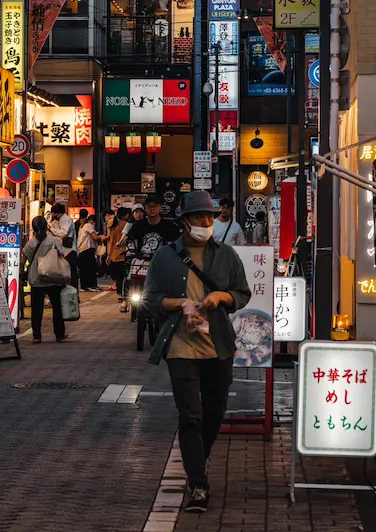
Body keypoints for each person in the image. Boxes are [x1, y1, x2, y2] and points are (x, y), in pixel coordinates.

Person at [144, 191, 251, 514]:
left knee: (215, 411)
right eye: (198, 218)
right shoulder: (165, 257)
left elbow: (242, 293)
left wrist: (222, 297)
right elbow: (150, 298)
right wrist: (181, 304)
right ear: (185, 222)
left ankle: (196, 459)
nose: (205, 223)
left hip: (217, 346)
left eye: (209, 217)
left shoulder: (227, 255)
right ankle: (199, 483)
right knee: (190, 415)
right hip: (180, 346)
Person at [23, 215, 68, 343]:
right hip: (53, 278)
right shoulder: (53, 241)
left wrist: (22, 273)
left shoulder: (30, 243)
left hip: (36, 279)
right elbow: (62, 255)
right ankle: (59, 333)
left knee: (36, 309)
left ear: (33, 228)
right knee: (57, 307)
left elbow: (23, 260)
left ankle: (36, 336)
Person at [126, 194, 180, 259]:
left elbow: (177, 247)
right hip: (141, 264)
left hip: (163, 263)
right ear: (145, 208)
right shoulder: (138, 225)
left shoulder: (170, 226)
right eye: (149, 206)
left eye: (155, 206)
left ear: (160, 208)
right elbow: (131, 244)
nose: (152, 209)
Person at [48, 203, 78, 288]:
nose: (53, 215)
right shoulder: (58, 220)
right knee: (65, 274)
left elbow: (64, 233)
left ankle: (72, 295)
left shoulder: (65, 219)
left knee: (70, 274)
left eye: (54, 213)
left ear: (58, 212)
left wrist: (52, 230)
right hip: (63, 250)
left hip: (69, 251)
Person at [76, 211, 106, 291]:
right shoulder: (88, 225)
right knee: (91, 269)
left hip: (81, 250)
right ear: (92, 221)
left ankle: (84, 286)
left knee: (84, 270)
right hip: (87, 250)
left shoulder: (82, 226)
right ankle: (92, 286)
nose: (95, 224)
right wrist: (104, 237)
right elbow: (95, 237)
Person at [106, 208, 129, 302]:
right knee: (124, 276)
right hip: (124, 254)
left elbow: (111, 241)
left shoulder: (114, 225)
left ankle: (119, 294)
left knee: (118, 277)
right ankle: (124, 294)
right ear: (124, 215)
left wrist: (109, 255)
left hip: (114, 255)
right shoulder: (126, 225)